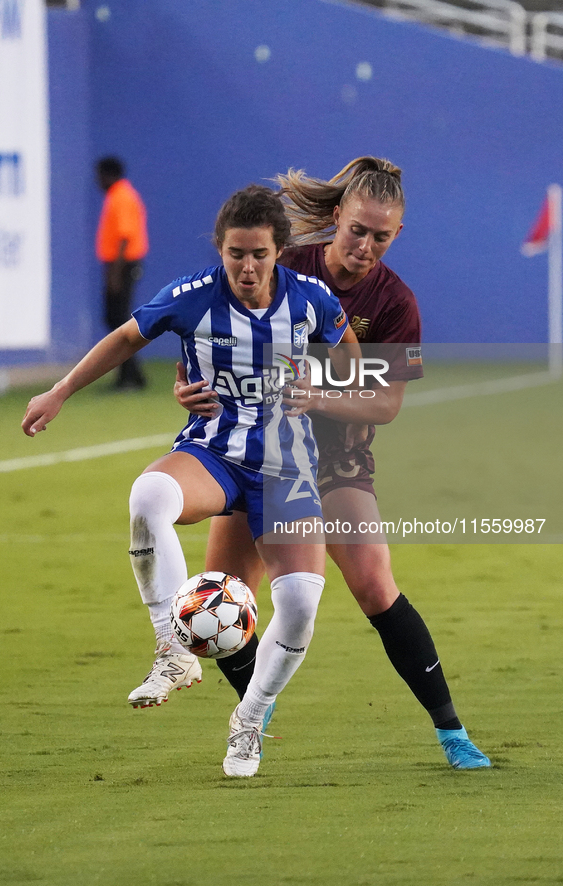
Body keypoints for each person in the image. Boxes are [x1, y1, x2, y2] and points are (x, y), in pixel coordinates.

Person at [22, 184, 360, 778]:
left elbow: (353, 357)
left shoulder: (311, 301)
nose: (247, 266)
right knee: (148, 494)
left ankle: (249, 720)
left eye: (259, 253)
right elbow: (127, 337)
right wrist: (60, 391)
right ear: (220, 250)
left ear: (278, 250)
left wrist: (329, 391)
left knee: (301, 602)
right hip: (214, 452)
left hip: (288, 468)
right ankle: (173, 651)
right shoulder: (194, 296)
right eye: (236, 253)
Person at [174, 157, 491, 771]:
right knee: (225, 602)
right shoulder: (281, 264)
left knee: (373, 581)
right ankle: (253, 717)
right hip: (254, 456)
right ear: (336, 218)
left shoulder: (396, 303)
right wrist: (188, 387)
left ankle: (452, 734)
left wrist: (317, 395)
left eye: (381, 236)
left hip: (337, 464)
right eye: (357, 230)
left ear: (396, 235)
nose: (366, 245)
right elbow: (207, 345)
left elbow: (387, 404)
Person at [95, 156, 148, 390]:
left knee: (119, 320)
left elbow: (125, 237)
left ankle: (129, 377)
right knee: (116, 319)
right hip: (120, 265)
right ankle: (131, 375)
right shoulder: (119, 195)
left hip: (122, 265)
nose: (97, 181)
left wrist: (115, 273)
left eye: (99, 175)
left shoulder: (121, 197)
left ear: (108, 174)